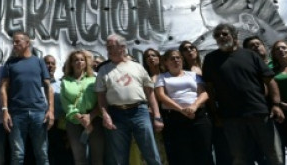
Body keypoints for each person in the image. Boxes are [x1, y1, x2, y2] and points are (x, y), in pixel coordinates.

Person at [201, 23, 284, 165]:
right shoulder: (210, 59)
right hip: (231, 117)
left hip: (259, 113)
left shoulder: (251, 55)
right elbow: (209, 89)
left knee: (273, 154)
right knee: (240, 158)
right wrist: (215, 114)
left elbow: (270, 81)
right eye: (217, 35)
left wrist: (276, 104)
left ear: (234, 36)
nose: (221, 37)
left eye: (225, 34)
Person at [95, 34, 163, 165]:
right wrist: (105, 115)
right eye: (107, 47)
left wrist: (157, 116)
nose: (108, 49)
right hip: (116, 114)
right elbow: (101, 96)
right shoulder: (103, 69)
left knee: (151, 153)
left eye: (111, 46)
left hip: (140, 112)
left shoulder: (137, 66)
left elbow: (150, 92)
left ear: (122, 47)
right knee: (119, 158)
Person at [0, 32, 53, 165]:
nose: (14, 44)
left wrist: (51, 110)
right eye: (13, 42)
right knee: (17, 155)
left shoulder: (39, 62)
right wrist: (5, 111)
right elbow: (3, 88)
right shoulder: (10, 63)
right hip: (16, 113)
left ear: (27, 43)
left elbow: (48, 87)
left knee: (42, 154)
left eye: (18, 41)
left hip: (38, 112)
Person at [154, 48, 212, 165]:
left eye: (178, 58)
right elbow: (161, 96)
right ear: (166, 62)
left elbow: (204, 93)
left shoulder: (193, 75)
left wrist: (194, 106)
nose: (176, 60)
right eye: (172, 58)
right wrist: (181, 110)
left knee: (204, 151)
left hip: (198, 116)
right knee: (182, 154)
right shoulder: (162, 77)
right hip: (175, 118)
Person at [60, 50, 103, 165]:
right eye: (76, 60)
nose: (79, 62)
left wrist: (90, 117)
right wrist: (79, 117)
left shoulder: (94, 79)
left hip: (94, 120)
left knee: (97, 157)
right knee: (79, 158)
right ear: (71, 63)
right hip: (74, 121)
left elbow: (100, 100)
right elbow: (66, 103)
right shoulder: (65, 81)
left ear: (86, 63)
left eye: (82, 60)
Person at [43, 54, 65, 165]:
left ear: (55, 67)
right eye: (47, 63)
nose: (50, 66)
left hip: (58, 125)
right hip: (42, 124)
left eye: (52, 64)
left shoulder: (61, 85)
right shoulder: (37, 85)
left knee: (58, 154)